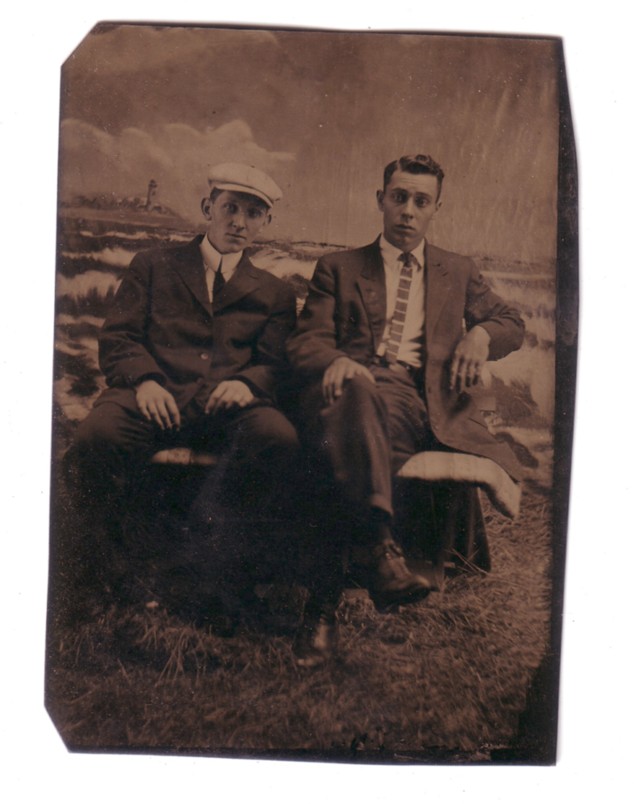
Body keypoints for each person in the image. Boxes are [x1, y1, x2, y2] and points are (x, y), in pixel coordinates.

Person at [286, 153, 525, 665]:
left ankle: (323, 607)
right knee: (356, 403)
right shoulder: (339, 267)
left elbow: (511, 321)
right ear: (381, 200)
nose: (408, 211)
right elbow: (307, 343)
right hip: (343, 394)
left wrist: (480, 334)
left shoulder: (457, 270)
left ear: (437, 208)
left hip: (415, 404)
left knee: (344, 449)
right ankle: (376, 556)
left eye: (421, 201)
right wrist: (336, 362)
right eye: (399, 198)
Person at [60, 162, 300, 627]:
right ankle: (104, 577)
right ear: (207, 208)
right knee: (96, 438)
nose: (239, 222)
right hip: (155, 394)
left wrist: (248, 383)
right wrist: (145, 380)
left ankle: (224, 578)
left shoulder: (274, 292)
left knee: (277, 438)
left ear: (266, 223)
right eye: (230, 208)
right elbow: (119, 338)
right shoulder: (153, 265)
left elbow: (276, 364)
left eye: (254, 213)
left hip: (226, 406)